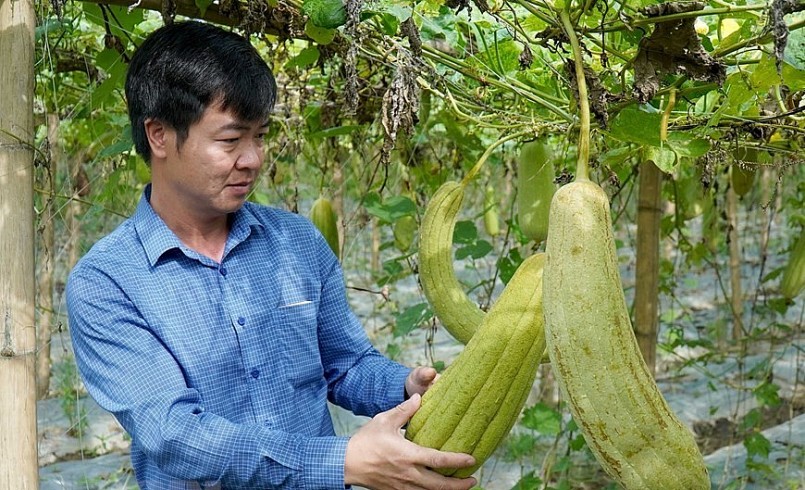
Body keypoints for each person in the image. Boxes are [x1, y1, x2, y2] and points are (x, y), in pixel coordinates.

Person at [66, 21, 477, 490]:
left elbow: (345, 364)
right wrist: (341, 461)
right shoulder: (107, 283)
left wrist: (405, 387)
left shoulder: (297, 242)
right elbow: (177, 435)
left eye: (259, 136)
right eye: (230, 140)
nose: (253, 159)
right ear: (159, 135)